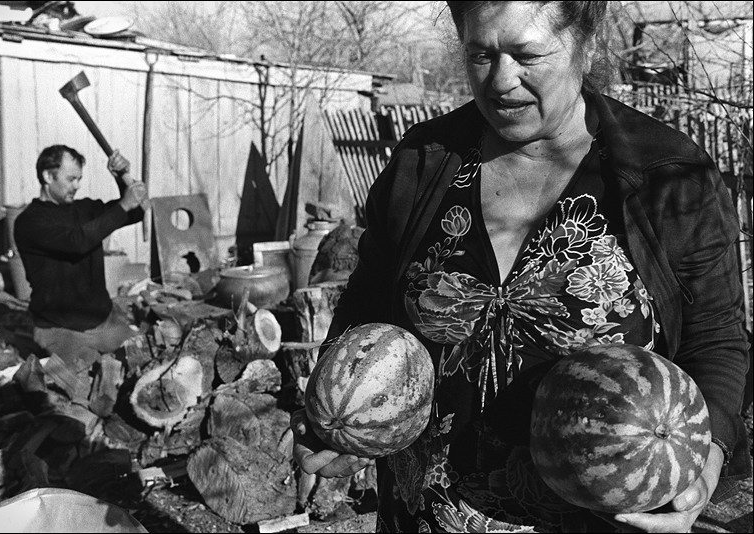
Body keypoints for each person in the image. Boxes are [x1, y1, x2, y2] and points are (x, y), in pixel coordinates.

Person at [291, 1, 750, 532]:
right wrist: (338, 412)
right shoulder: (426, 160)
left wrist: (705, 455)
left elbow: (716, 336)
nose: (501, 80)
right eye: (480, 54)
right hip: (424, 514)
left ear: (587, 42)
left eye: (526, 54)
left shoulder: (668, 177)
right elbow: (368, 299)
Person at [14, 145, 148, 385]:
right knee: (82, 386)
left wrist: (121, 178)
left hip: (103, 321)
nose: (76, 186)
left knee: (145, 360)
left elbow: (135, 212)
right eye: (71, 179)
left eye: (79, 179)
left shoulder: (84, 208)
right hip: (60, 329)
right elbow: (77, 241)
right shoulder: (29, 221)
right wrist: (124, 204)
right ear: (47, 176)